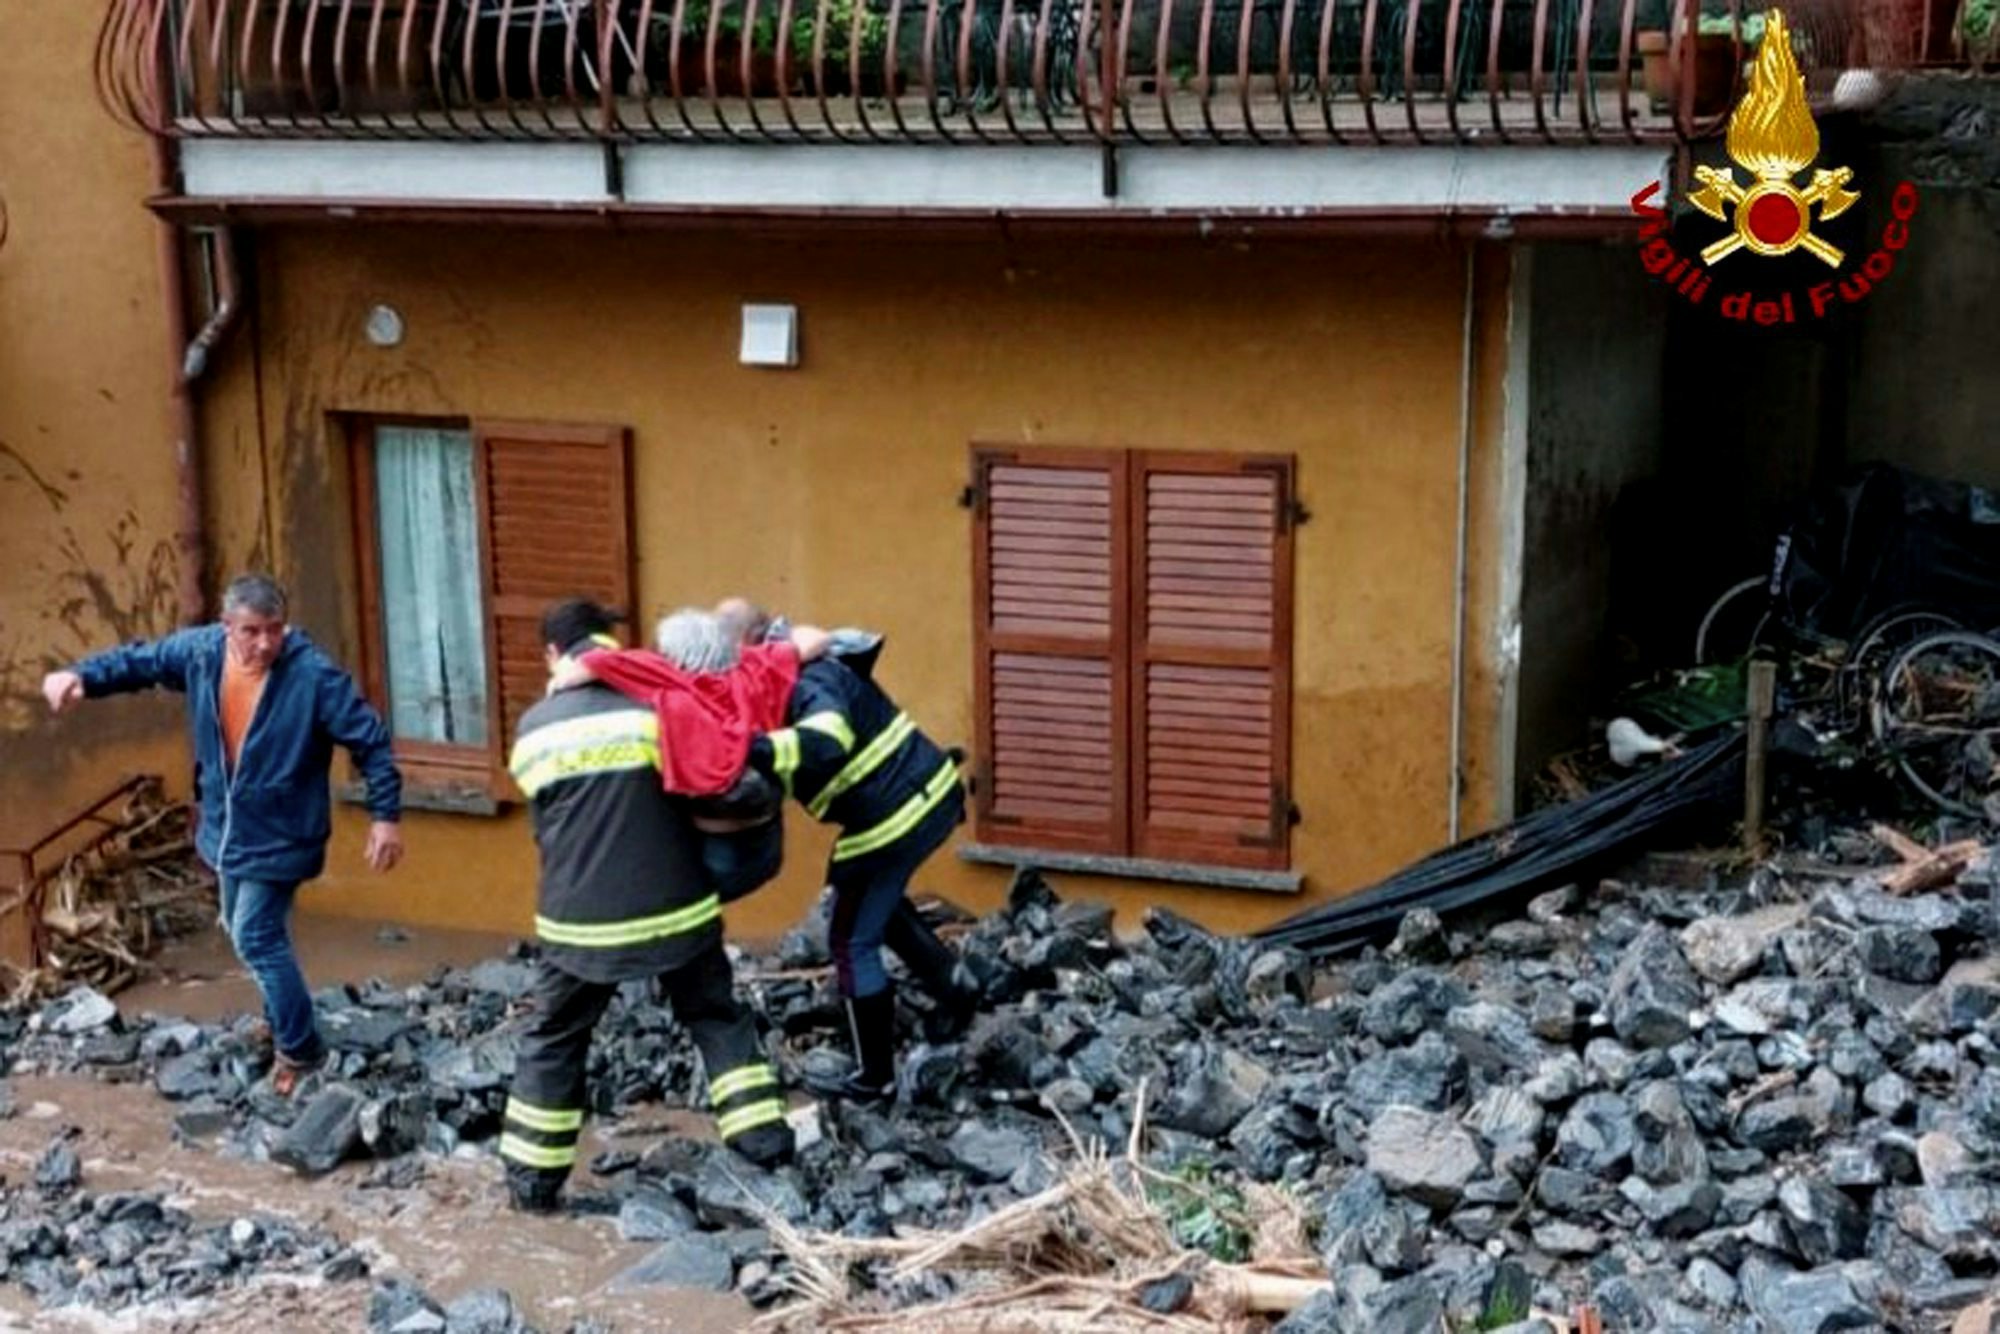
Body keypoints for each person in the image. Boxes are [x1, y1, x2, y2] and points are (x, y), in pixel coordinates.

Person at [40, 574, 403, 1096]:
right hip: (227, 832)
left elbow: (370, 741)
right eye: (251, 631)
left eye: (274, 630)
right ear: (226, 627)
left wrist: (385, 816)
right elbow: (141, 662)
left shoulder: (313, 677)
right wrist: (82, 676)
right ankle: (283, 1020)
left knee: (256, 935)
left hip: (283, 835)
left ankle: (301, 1052)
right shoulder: (202, 654)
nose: (264, 643)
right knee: (240, 927)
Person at [500, 599, 798, 1214]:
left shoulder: (534, 729)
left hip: (577, 923)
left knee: (554, 1036)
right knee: (715, 1017)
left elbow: (544, 825)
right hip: (677, 911)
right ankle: (763, 1143)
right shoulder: (663, 702)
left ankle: (533, 1185)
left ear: (554, 655)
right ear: (614, 644)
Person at [657, 605, 979, 1103]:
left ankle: (875, 1078)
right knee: (878, 908)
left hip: (896, 813)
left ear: (755, 646)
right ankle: (956, 988)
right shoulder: (795, 670)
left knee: (850, 938)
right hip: (922, 795)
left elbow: (827, 741)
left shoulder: (807, 679)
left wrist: (751, 748)